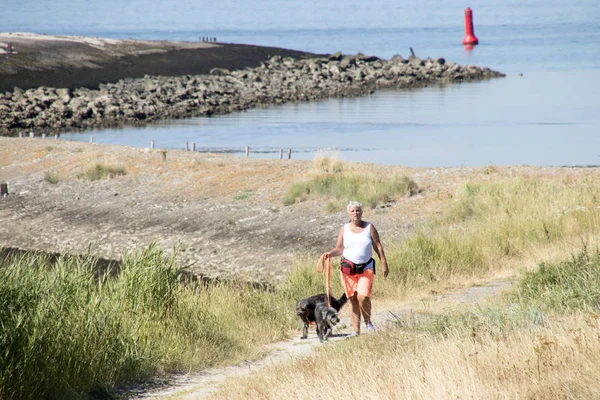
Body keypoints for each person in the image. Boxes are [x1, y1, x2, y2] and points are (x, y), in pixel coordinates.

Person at [323, 201, 389, 337]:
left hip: (366, 268)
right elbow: (339, 248)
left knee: (363, 296)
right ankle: (356, 330)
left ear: (362, 212)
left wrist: (384, 263)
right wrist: (330, 254)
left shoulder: (369, 227)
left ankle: (368, 322)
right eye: (353, 211)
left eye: (358, 210)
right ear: (349, 213)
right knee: (352, 298)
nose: (355, 213)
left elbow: (378, 246)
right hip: (348, 270)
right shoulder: (344, 229)